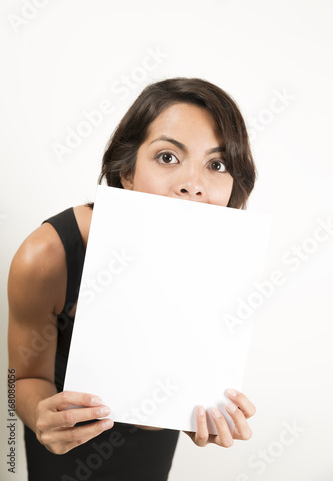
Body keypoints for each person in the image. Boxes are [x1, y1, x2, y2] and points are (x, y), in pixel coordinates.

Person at [7, 77, 257, 480]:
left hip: (149, 460)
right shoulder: (48, 256)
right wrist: (39, 416)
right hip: (62, 454)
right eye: (168, 157)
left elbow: (160, 402)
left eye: (217, 164)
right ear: (126, 171)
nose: (193, 185)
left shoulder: (216, 267)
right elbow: (23, 378)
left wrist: (201, 409)